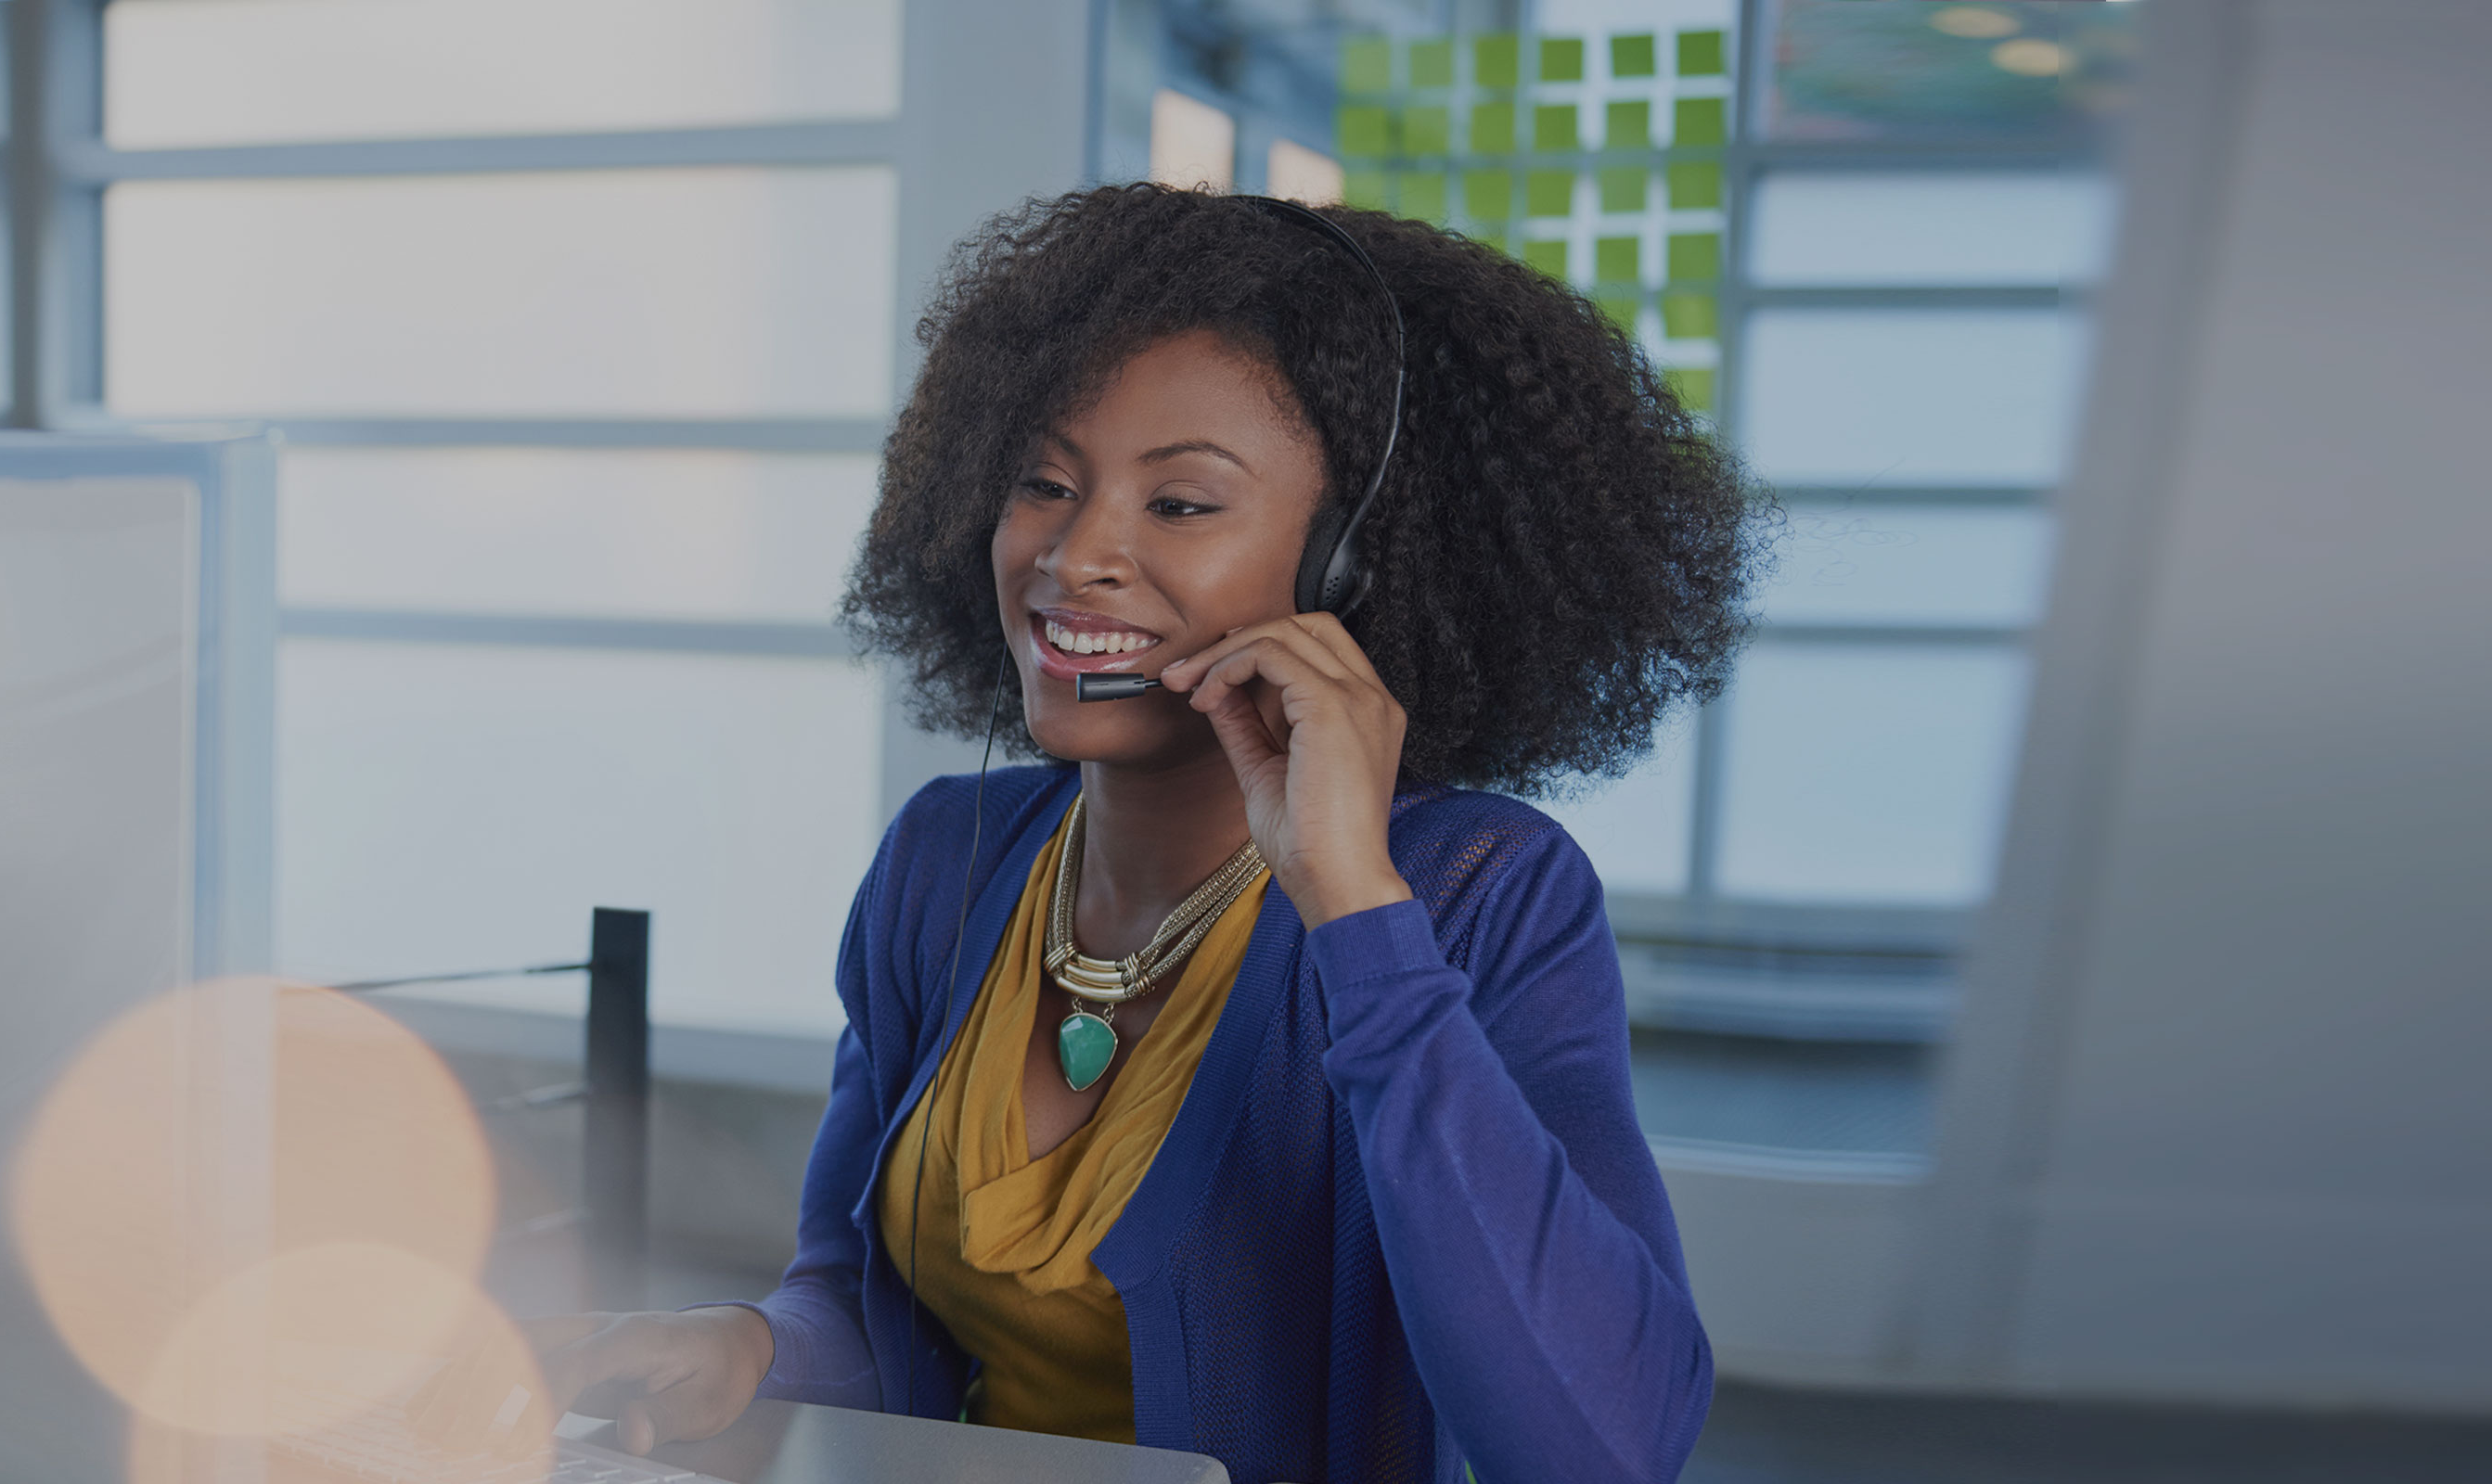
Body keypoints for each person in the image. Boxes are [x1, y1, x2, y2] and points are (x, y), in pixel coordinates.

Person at [525, 185, 1765, 1484]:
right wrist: (748, 1345)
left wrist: (1356, 910)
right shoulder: (946, 863)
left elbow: (1605, 1446)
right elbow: (872, 1314)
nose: (1076, 556)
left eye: (1181, 505)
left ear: (1349, 565)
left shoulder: (1475, 893)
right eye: (1044, 482)